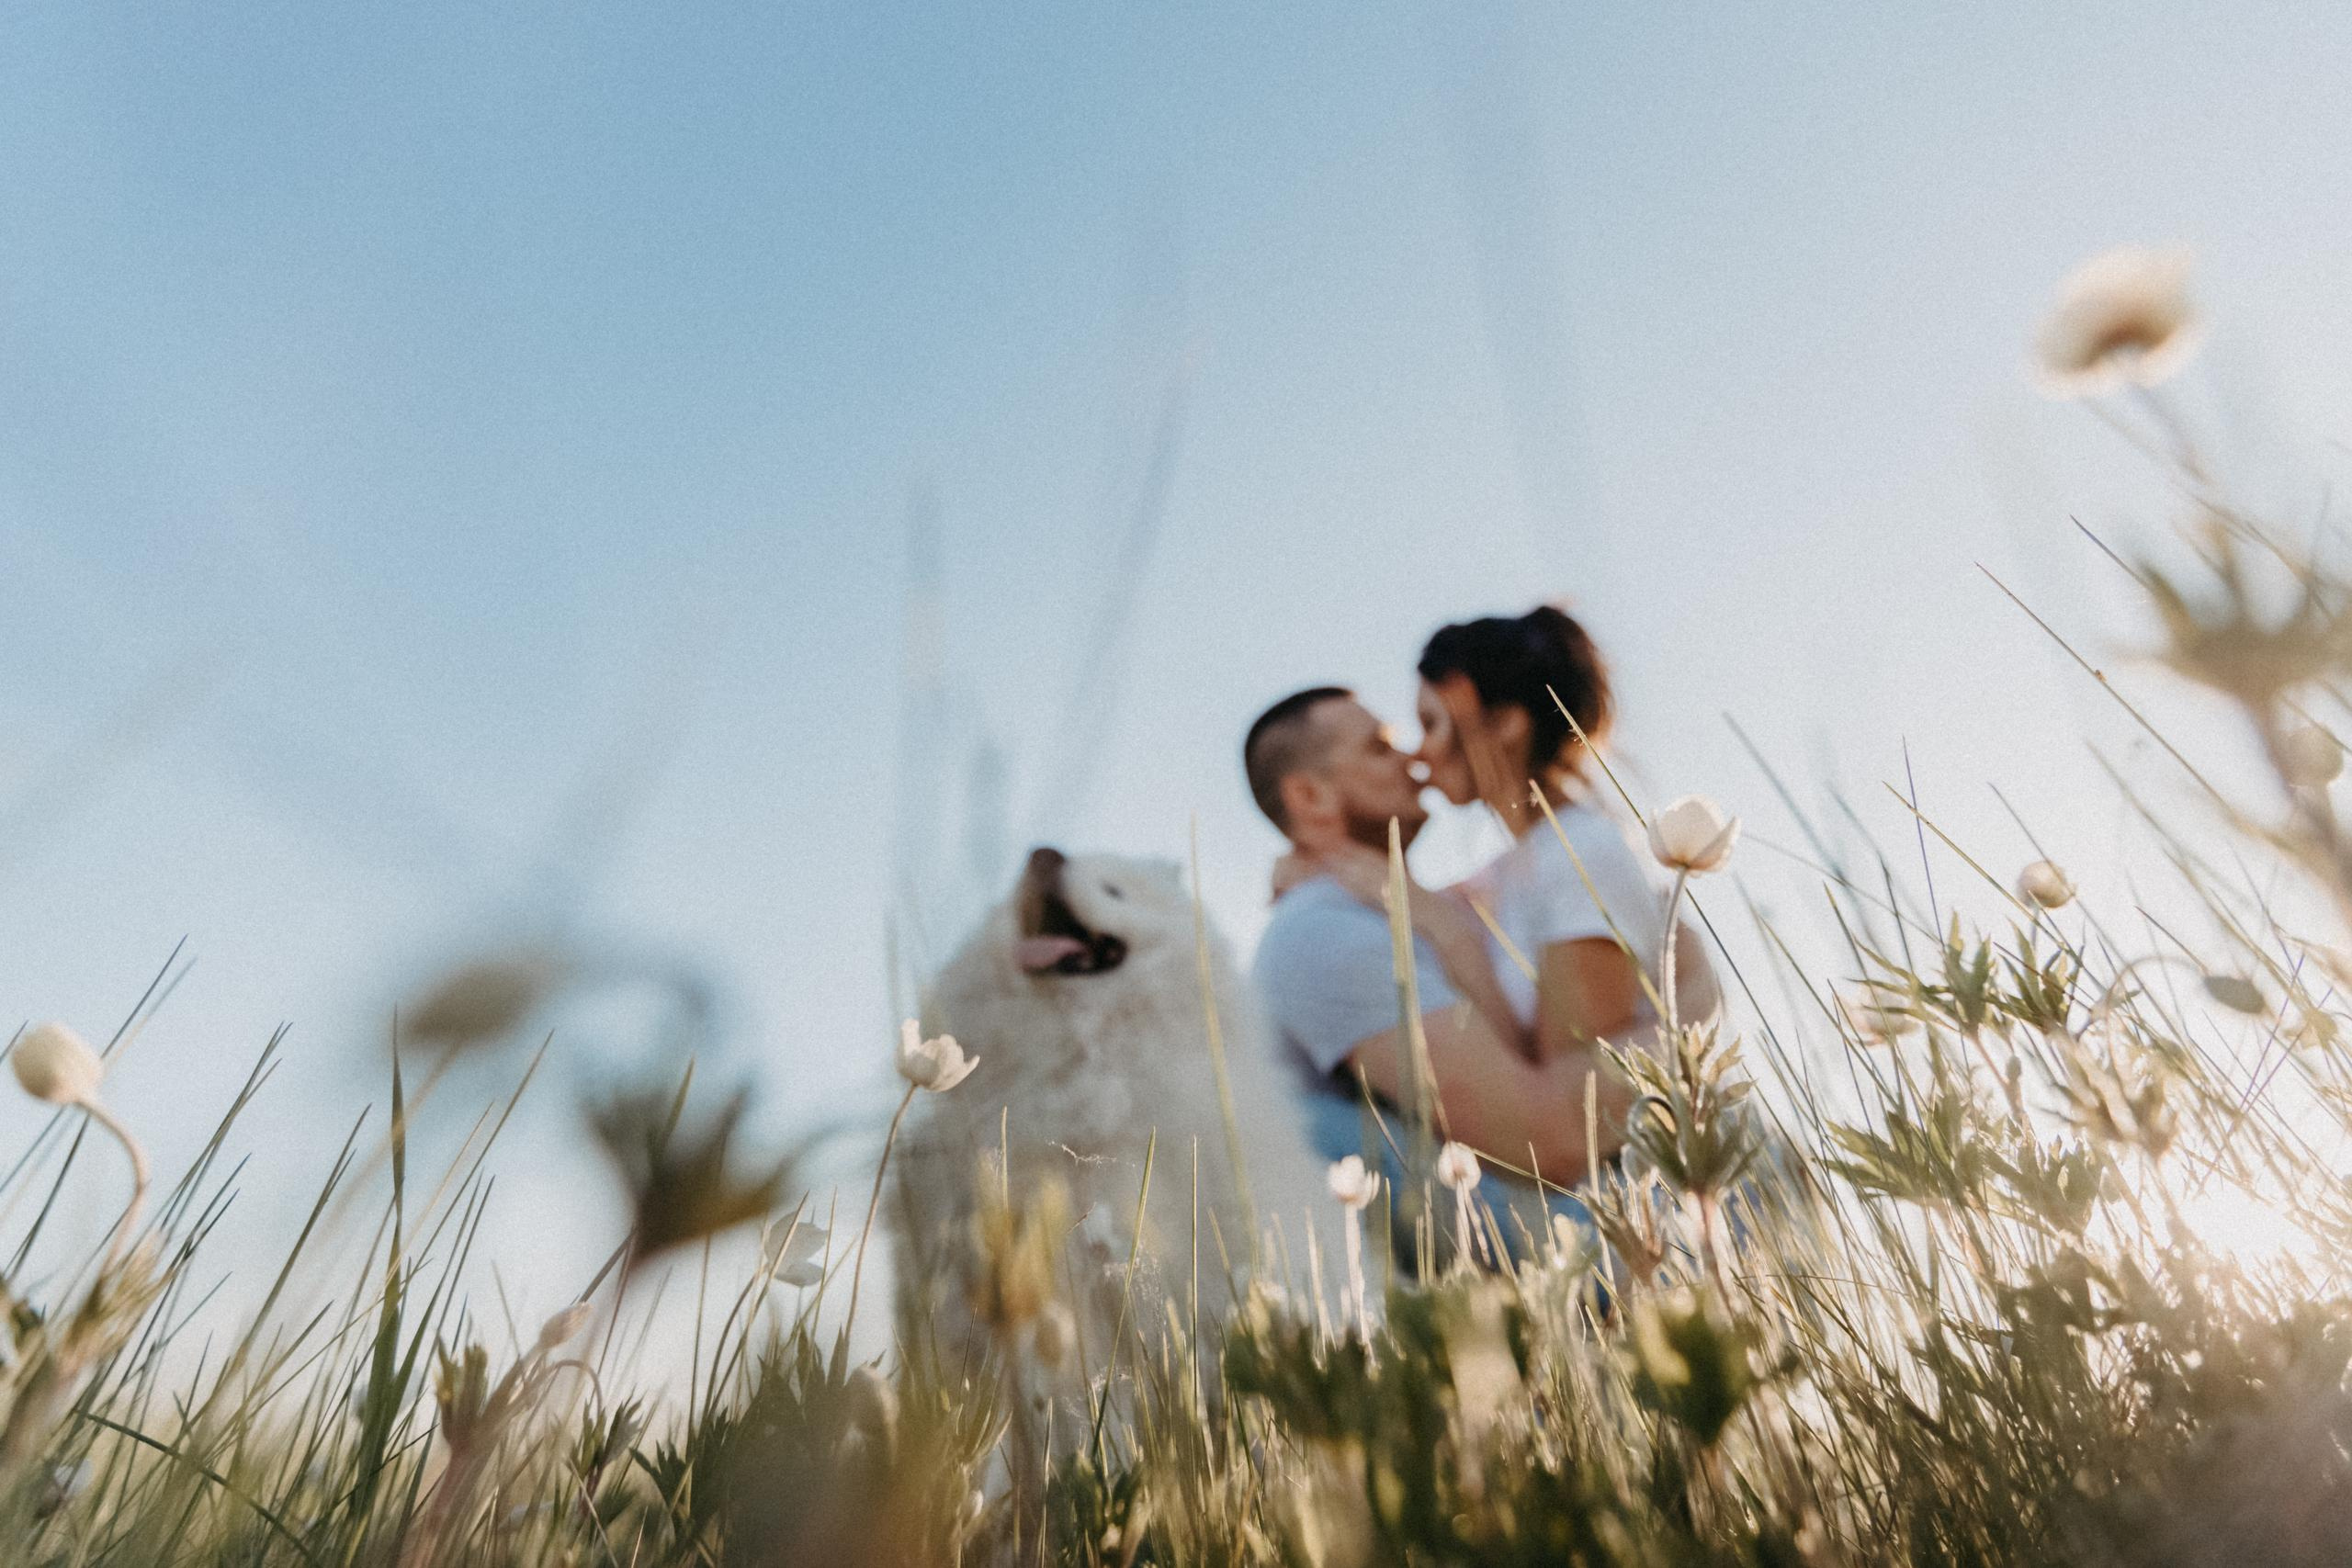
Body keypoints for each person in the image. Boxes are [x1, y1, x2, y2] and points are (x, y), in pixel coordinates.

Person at [1242, 684, 1634, 1256]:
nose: (1416, 760)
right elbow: (1539, 1144)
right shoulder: (1323, 935)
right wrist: (1681, 1026)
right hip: (1473, 1272)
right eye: (1380, 747)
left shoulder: (1418, 910)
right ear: (1310, 795)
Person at [1287, 606, 1718, 1064]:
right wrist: (1313, 863)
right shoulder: (1523, 866)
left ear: (1506, 724)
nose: (1418, 754)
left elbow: (1575, 1093)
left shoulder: (1582, 856)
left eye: (1431, 723)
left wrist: (1437, 919)